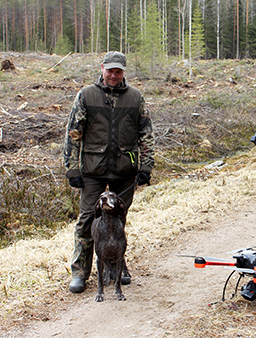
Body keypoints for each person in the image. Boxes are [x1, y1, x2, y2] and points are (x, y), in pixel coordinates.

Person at [63, 51, 155, 293]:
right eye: (110, 70)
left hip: (125, 169)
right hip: (93, 170)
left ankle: (114, 268)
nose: (114, 75)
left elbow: (146, 133)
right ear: (102, 68)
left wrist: (146, 166)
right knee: (87, 221)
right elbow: (73, 133)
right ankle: (80, 272)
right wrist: (72, 168)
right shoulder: (86, 95)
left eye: (118, 71)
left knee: (118, 223)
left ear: (124, 71)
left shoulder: (135, 97)